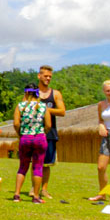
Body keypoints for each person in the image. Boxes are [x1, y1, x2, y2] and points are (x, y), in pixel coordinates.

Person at [12, 84, 49, 203]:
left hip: (25, 138)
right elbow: (48, 125)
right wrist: (43, 132)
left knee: (23, 166)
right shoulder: (43, 106)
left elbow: (16, 123)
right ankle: (36, 196)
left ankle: (17, 194)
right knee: (38, 167)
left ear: (26, 93)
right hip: (39, 138)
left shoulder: (20, 106)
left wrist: (20, 134)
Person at [36, 66, 66, 201]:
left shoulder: (56, 94)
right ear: (39, 76)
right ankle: (34, 188)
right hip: (34, 131)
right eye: (45, 76)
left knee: (47, 163)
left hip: (50, 133)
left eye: (50, 77)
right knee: (35, 162)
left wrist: (44, 109)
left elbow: (62, 111)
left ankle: (44, 189)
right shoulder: (32, 93)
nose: (48, 79)